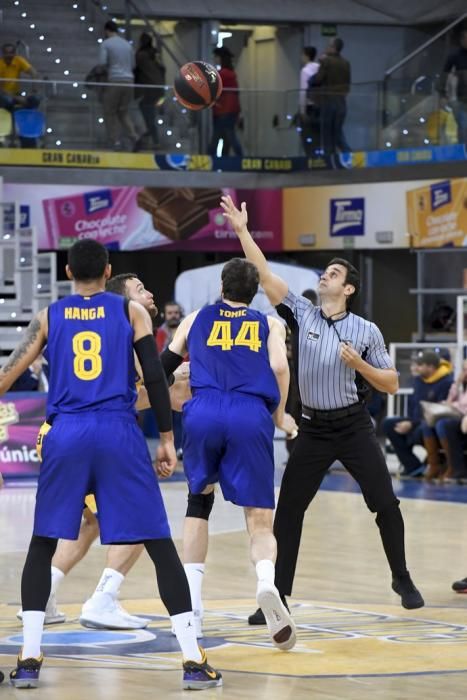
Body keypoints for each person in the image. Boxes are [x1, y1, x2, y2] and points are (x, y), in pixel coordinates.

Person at [0, 241, 221, 690]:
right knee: (159, 542)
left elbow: (7, 375)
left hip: (66, 433)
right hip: (117, 432)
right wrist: (164, 437)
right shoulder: (129, 312)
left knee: (43, 542)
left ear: (66, 271)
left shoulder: (49, 316)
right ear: (108, 270)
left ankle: (27, 659)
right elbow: (156, 377)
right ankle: (193, 661)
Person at [220, 195, 425, 627]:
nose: (324, 276)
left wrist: (360, 365)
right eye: (325, 272)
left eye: (332, 273)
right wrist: (242, 230)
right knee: (289, 512)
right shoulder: (302, 312)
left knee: (386, 503)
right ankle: (279, 598)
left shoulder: (366, 330)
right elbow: (263, 274)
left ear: (347, 288)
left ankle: (402, 578)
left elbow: (392, 382)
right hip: (312, 429)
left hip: (353, 427)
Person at [15, 273, 191, 631]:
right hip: (83, 435)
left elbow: (138, 391)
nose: (150, 293)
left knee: (91, 524)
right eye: (140, 289)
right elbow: (138, 394)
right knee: (139, 523)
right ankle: (102, 599)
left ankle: (46, 594)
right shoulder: (119, 330)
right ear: (119, 298)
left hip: (67, 436)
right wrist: (170, 391)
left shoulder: (115, 332)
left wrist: (169, 382)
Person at [161, 257, 298, 650]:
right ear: (254, 293)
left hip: (203, 412)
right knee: (259, 519)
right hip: (249, 414)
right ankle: (266, 582)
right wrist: (280, 413)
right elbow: (279, 366)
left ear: (221, 287)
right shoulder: (268, 323)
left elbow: (162, 366)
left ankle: (193, 608)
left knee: (198, 503)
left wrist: (174, 384)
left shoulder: (194, 319)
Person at [383, 350, 453, 480]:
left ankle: (435, 465)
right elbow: (413, 406)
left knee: (424, 427)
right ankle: (413, 467)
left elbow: (438, 412)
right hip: (415, 422)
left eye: (420, 365)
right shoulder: (418, 380)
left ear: (431, 367)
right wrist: (409, 421)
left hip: (430, 425)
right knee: (388, 423)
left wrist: (411, 424)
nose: (416, 367)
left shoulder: (446, 382)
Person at [99, 20, 138, 150]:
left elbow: (102, 64)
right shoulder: (127, 45)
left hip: (115, 80)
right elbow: (133, 65)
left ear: (106, 30)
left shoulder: (106, 44)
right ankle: (134, 137)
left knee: (109, 112)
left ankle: (114, 141)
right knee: (123, 112)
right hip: (129, 81)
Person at [313, 37, 351, 168]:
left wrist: (320, 64)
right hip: (341, 102)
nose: (326, 48)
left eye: (328, 45)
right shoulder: (346, 63)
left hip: (328, 101)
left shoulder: (326, 61)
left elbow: (317, 80)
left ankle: (330, 163)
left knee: (327, 134)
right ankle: (347, 155)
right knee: (338, 132)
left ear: (333, 48)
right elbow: (347, 85)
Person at [434, 359, 467, 482]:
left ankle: (457, 468)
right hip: (459, 418)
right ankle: (441, 465)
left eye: (466, 370)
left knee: (444, 425)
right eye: (463, 370)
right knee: (435, 425)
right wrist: (457, 383)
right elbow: (449, 401)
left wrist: (454, 406)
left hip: (463, 419)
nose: (464, 373)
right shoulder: (462, 386)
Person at [208, 46, 243, 157]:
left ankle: (209, 161)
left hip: (223, 110)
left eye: (216, 57)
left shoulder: (223, 74)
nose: (214, 59)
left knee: (220, 137)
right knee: (227, 138)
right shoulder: (230, 74)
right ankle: (227, 159)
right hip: (229, 110)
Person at [134, 32, 166, 150]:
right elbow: (162, 69)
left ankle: (153, 138)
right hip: (159, 88)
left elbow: (138, 71)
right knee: (148, 110)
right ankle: (150, 135)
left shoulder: (141, 55)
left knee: (148, 112)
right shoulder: (155, 54)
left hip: (149, 88)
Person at [438, 28, 467, 145]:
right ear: (462, 40)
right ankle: (463, 151)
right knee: (464, 125)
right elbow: (444, 75)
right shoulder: (454, 56)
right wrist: (442, 95)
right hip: (459, 98)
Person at [0, 42, 37, 111]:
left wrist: (33, 91)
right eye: (6, 53)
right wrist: (16, 98)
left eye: (11, 52)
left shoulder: (18, 60)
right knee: (8, 101)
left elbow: (34, 73)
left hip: (16, 93)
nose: (9, 55)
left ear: (14, 53)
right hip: (3, 95)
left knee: (34, 100)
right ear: (3, 53)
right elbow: (1, 89)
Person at [298, 46, 321, 156]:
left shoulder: (305, 71)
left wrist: (302, 111)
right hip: (320, 106)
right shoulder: (319, 67)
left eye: (302, 54)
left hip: (309, 107)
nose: (301, 57)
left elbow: (303, 91)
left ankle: (310, 159)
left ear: (306, 55)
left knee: (307, 135)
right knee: (318, 135)